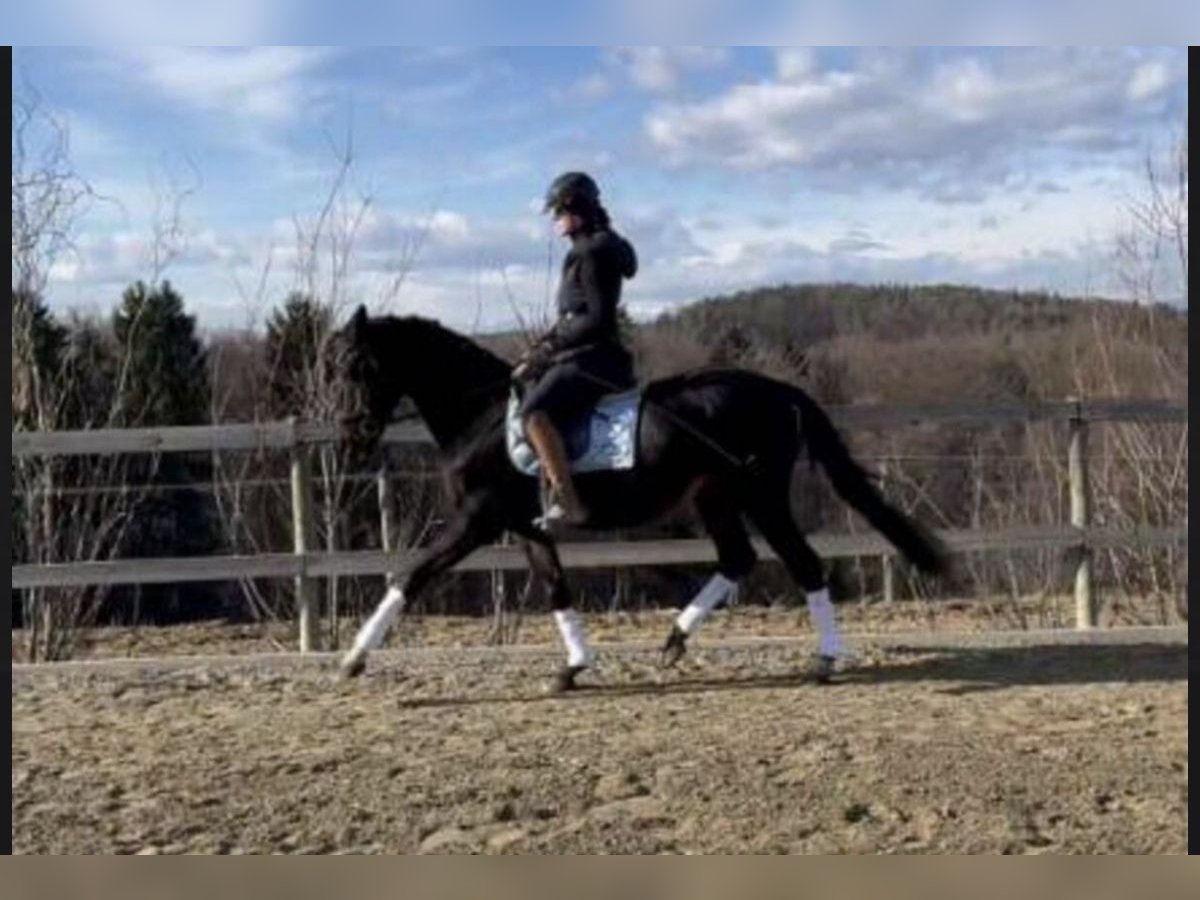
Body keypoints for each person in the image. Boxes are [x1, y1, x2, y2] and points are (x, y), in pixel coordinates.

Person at [515, 171, 639, 527]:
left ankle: (567, 500)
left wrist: (548, 352)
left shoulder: (594, 251)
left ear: (575, 209)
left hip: (597, 359)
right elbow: (570, 318)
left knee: (533, 413)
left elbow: (596, 319)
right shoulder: (589, 249)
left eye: (558, 213)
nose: (555, 222)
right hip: (584, 353)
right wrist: (536, 352)